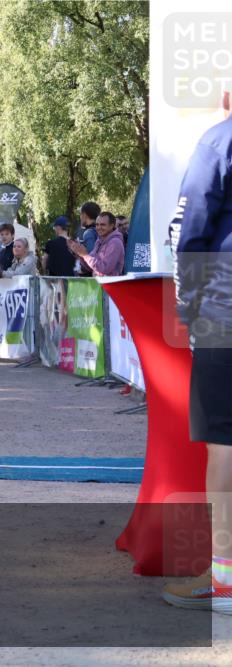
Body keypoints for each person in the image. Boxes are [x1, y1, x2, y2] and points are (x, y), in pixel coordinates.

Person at [163, 90, 232, 615]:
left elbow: (191, 233)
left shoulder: (218, 139)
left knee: (225, 444)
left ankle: (227, 580)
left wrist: (188, 306)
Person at [68, 211, 125, 277]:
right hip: (98, 285)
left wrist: (85, 255)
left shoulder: (115, 242)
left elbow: (104, 269)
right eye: (97, 224)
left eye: (102, 225)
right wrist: (79, 253)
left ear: (112, 226)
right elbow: (91, 268)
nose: (99, 227)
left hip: (110, 286)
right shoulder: (99, 241)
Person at [76, 201, 101, 276]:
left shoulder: (88, 233)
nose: (80, 217)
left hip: (91, 276)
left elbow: (91, 258)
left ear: (84, 215)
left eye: (80, 214)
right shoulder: (100, 230)